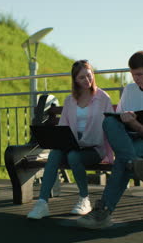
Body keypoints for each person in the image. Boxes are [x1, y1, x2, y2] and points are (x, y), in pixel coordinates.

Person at [77, 51, 143, 229]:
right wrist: (121, 119)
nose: (135, 78)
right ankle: (136, 162)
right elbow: (118, 121)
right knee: (109, 121)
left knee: (123, 160)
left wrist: (135, 124)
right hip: (130, 142)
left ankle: (103, 212)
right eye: (132, 74)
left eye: (140, 74)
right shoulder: (129, 90)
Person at [27, 59, 115, 219]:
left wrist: (111, 155)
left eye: (89, 75)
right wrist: (62, 142)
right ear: (75, 80)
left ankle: (84, 199)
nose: (87, 80)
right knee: (54, 154)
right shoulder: (70, 100)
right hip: (72, 146)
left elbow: (110, 126)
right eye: (82, 77)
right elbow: (63, 128)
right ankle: (42, 203)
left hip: (94, 149)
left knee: (74, 157)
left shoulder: (103, 98)